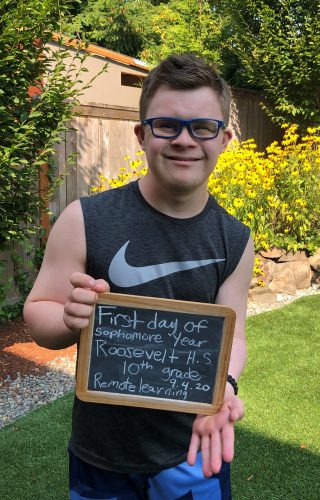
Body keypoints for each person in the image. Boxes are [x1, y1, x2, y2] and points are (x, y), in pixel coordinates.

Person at [24, 53, 254, 499]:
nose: (185, 140)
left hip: (191, 449)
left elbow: (234, 334)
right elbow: (38, 315)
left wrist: (224, 387)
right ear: (141, 135)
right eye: (167, 125)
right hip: (102, 455)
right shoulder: (84, 220)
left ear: (223, 139)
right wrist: (70, 320)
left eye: (202, 127)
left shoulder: (236, 240)